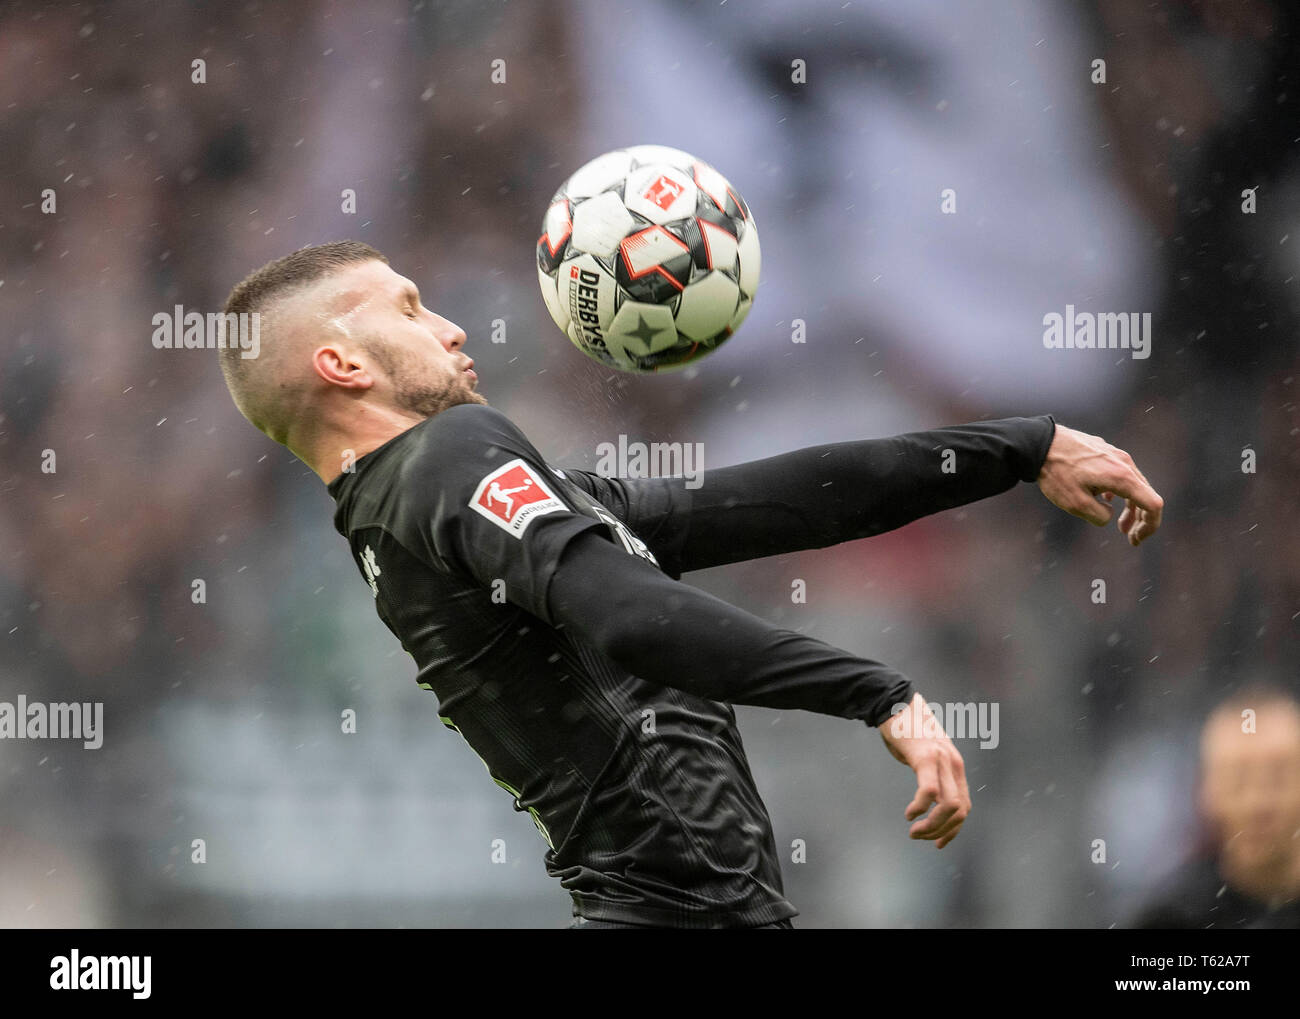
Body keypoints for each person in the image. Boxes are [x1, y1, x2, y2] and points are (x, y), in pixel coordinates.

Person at [219, 240, 1164, 928]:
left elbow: (775, 502)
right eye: (410, 308)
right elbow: (629, 615)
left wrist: (1016, 447)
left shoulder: (405, 512)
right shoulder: (448, 458)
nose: (451, 325)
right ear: (340, 363)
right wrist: (876, 689)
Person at [1131, 687, 1300, 929]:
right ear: (1205, 792)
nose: (1258, 804)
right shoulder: (1172, 918)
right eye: (1238, 782)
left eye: (1278, 779)